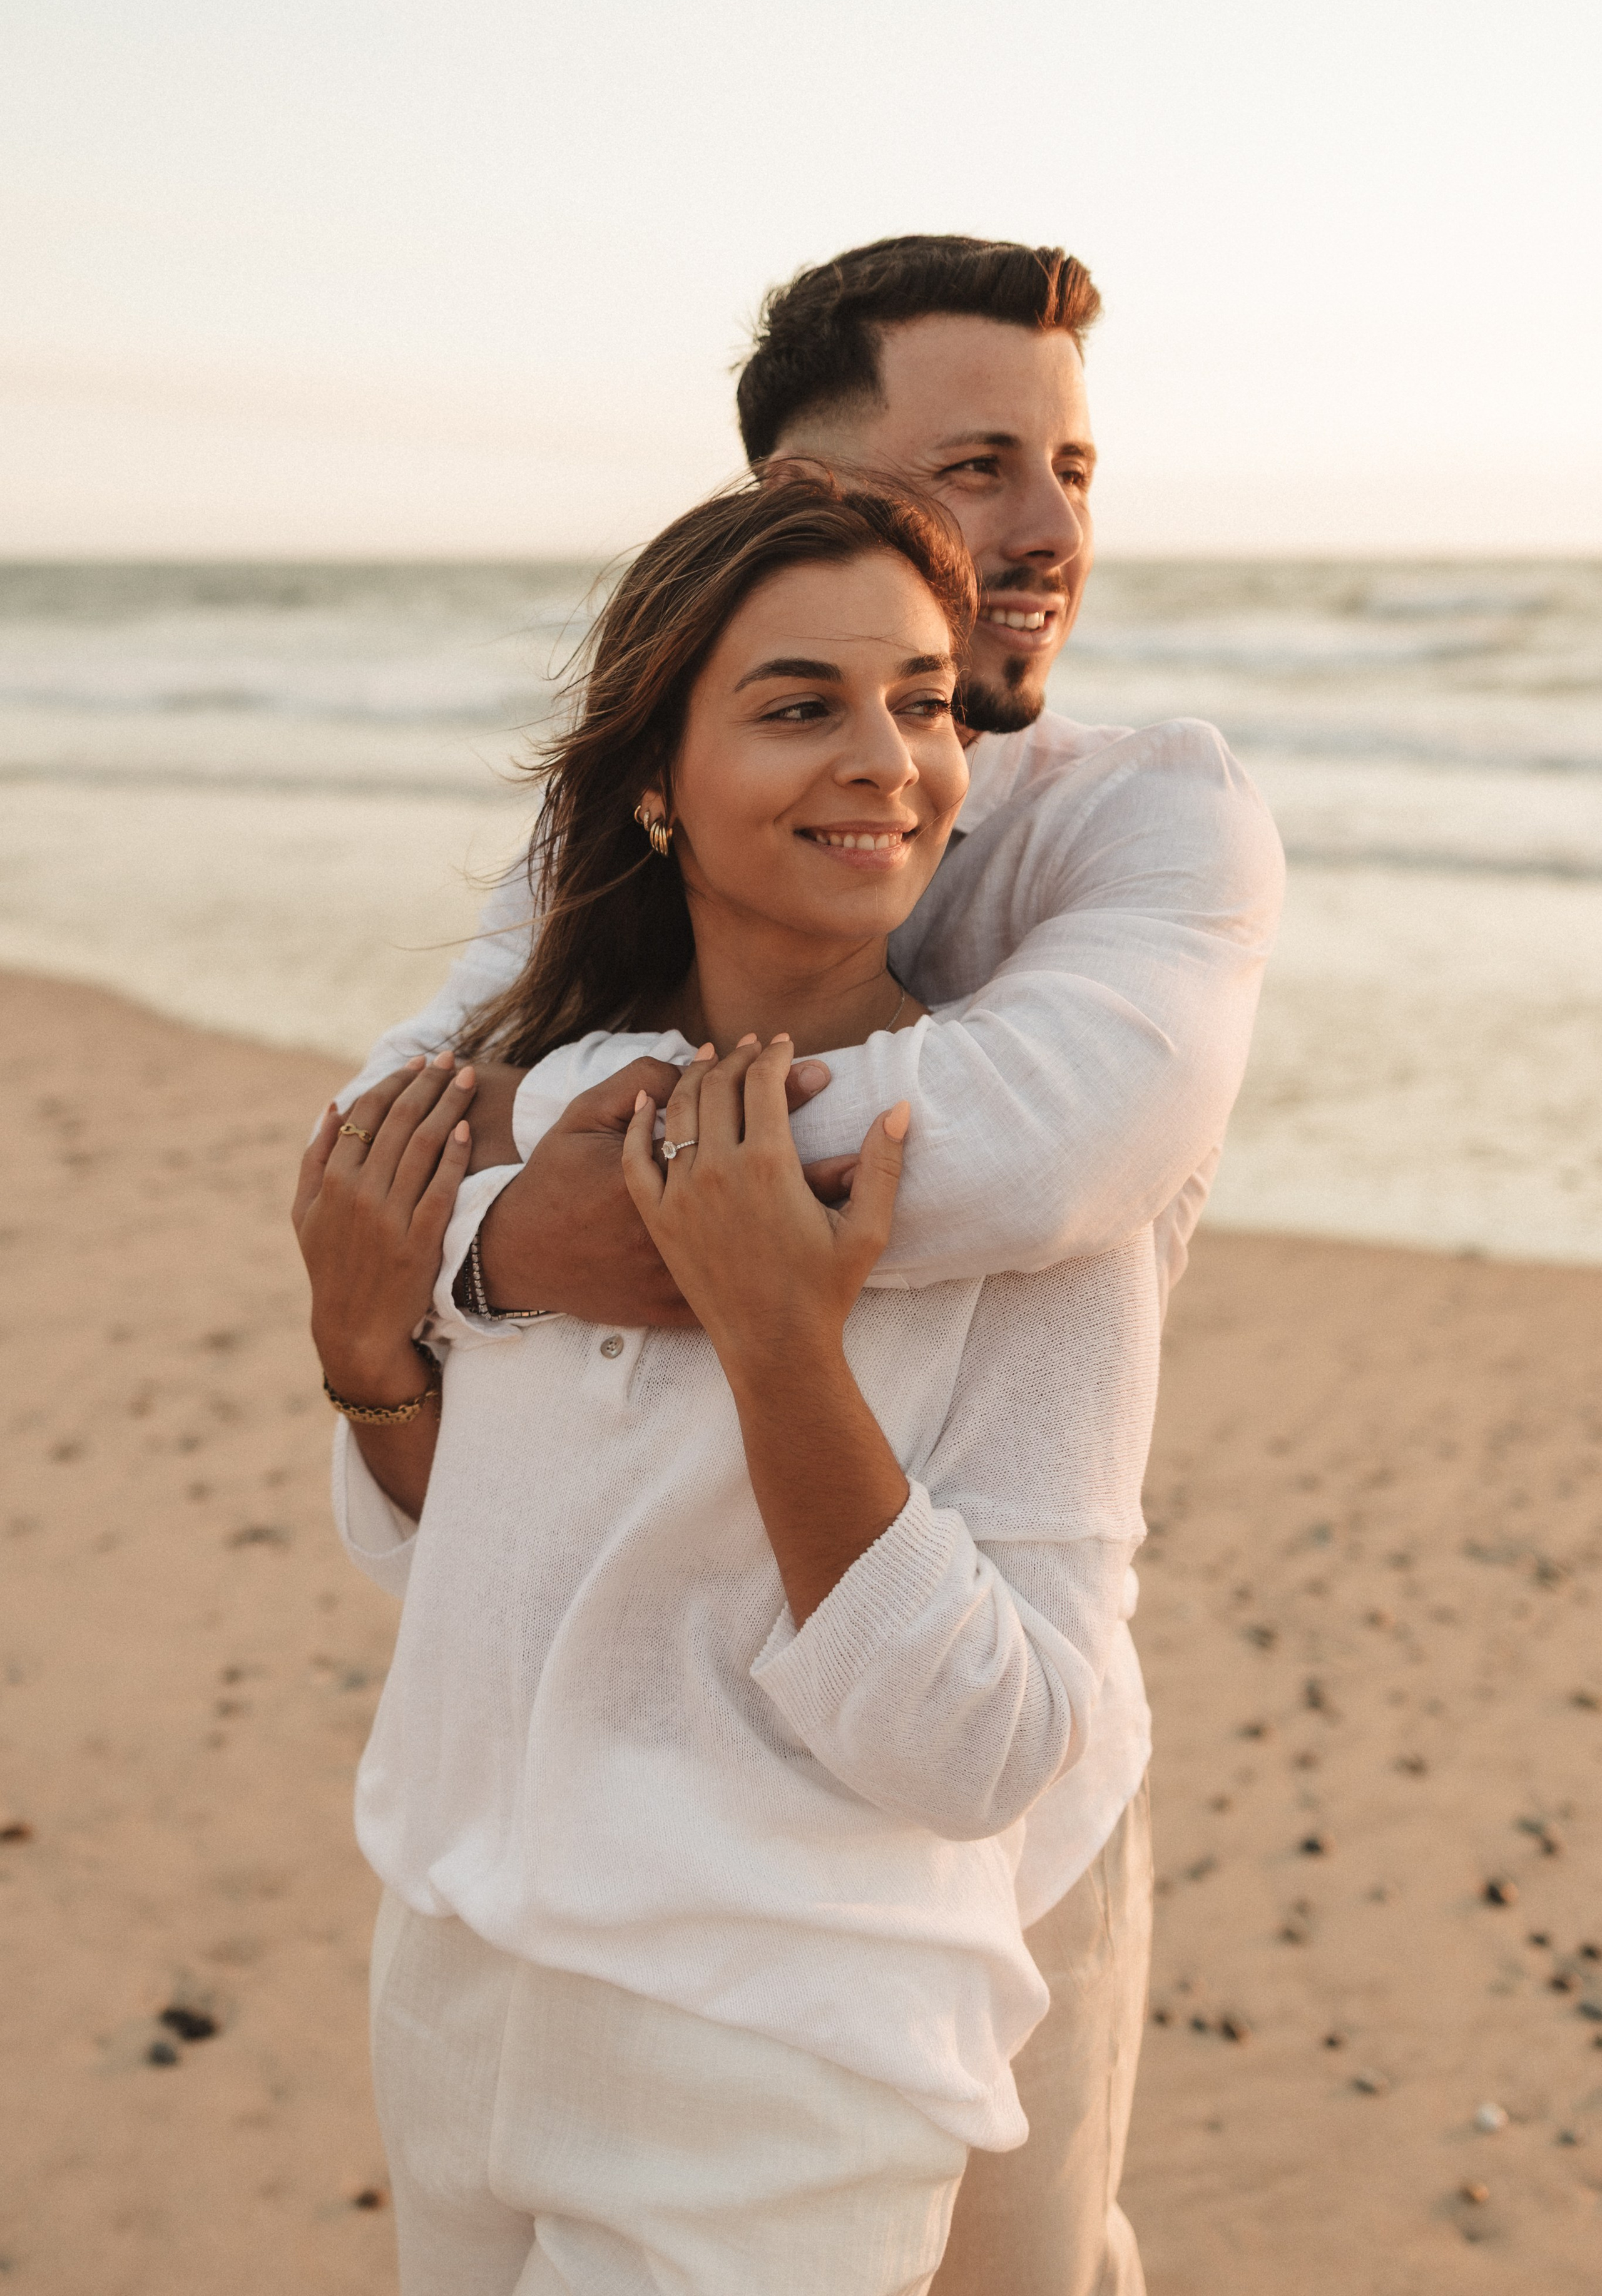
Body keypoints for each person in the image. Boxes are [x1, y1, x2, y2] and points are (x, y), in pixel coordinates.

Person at [336, 234, 1283, 2294]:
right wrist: (473, 1257)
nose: (1041, 533)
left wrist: (535, 1209)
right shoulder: (668, 813)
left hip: (985, 1815)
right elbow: (389, 1120)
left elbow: (1027, 1153)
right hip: (569, 1890)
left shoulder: (1143, 819)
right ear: (797, 495)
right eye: (977, 467)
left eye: (1076, 469)